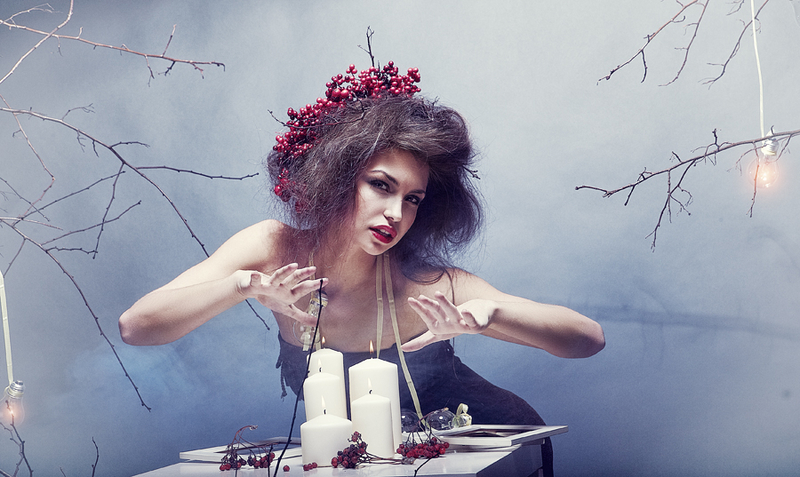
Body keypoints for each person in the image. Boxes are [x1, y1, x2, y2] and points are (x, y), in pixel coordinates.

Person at [119, 62, 605, 476]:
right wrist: (241, 285)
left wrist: (490, 314)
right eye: (381, 185)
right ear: (338, 177)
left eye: (413, 199)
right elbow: (137, 327)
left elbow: (588, 339)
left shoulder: (426, 285)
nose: (396, 213)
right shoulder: (274, 247)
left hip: (483, 457)